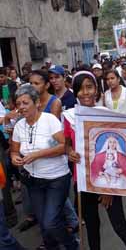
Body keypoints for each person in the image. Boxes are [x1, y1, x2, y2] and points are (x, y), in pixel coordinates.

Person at [63, 71, 126, 250]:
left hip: (109, 180)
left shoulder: (106, 115)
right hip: (83, 180)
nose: (85, 93)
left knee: (119, 225)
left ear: (96, 90)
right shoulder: (69, 116)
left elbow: (117, 153)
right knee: (92, 227)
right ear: (75, 92)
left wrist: (108, 189)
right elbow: (66, 144)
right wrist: (70, 152)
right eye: (80, 89)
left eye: (89, 87)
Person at [10, 85, 79, 249]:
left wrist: (37, 154)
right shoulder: (19, 126)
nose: (21, 107)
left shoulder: (50, 120)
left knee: (50, 222)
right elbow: (14, 151)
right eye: (18, 103)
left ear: (37, 103)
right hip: (33, 181)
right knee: (43, 223)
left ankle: (72, 244)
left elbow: (64, 147)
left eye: (25, 103)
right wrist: (15, 158)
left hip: (56, 179)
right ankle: (52, 246)